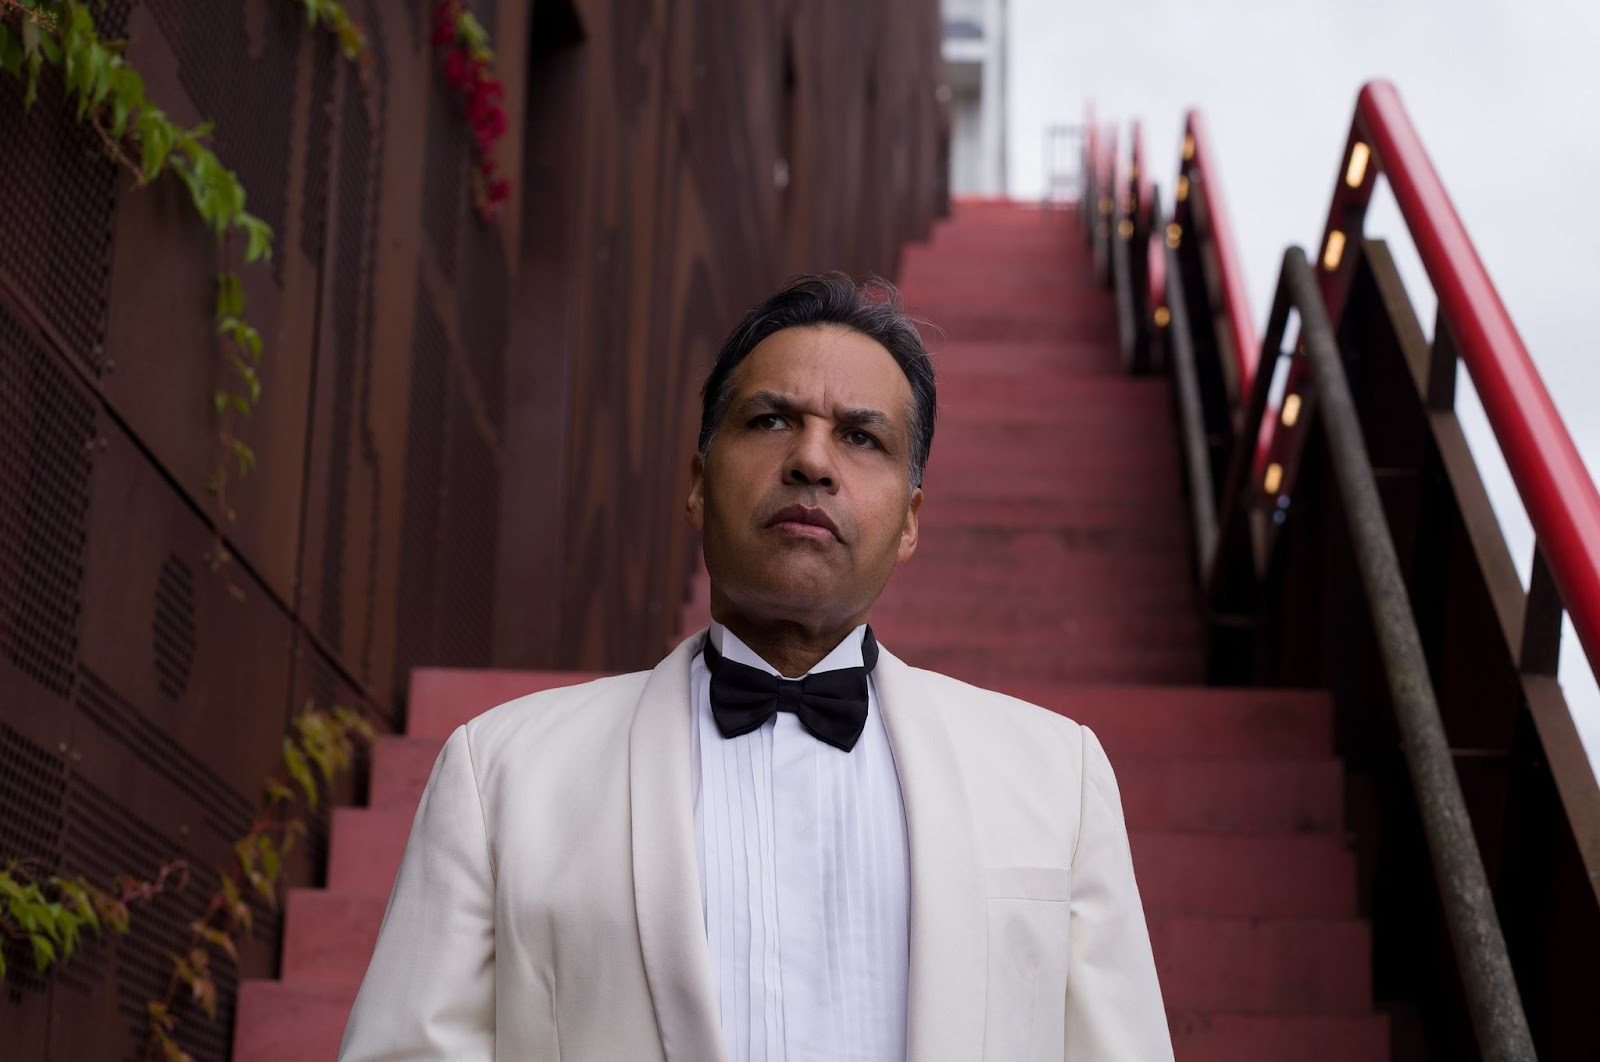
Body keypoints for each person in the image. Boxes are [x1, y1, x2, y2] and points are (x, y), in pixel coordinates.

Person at [339, 274, 1173, 1061]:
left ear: (911, 521)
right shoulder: (500, 773)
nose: (813, 460)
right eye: (771, 421)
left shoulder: (1057, 778)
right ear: (699, 484)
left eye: (861, 437)